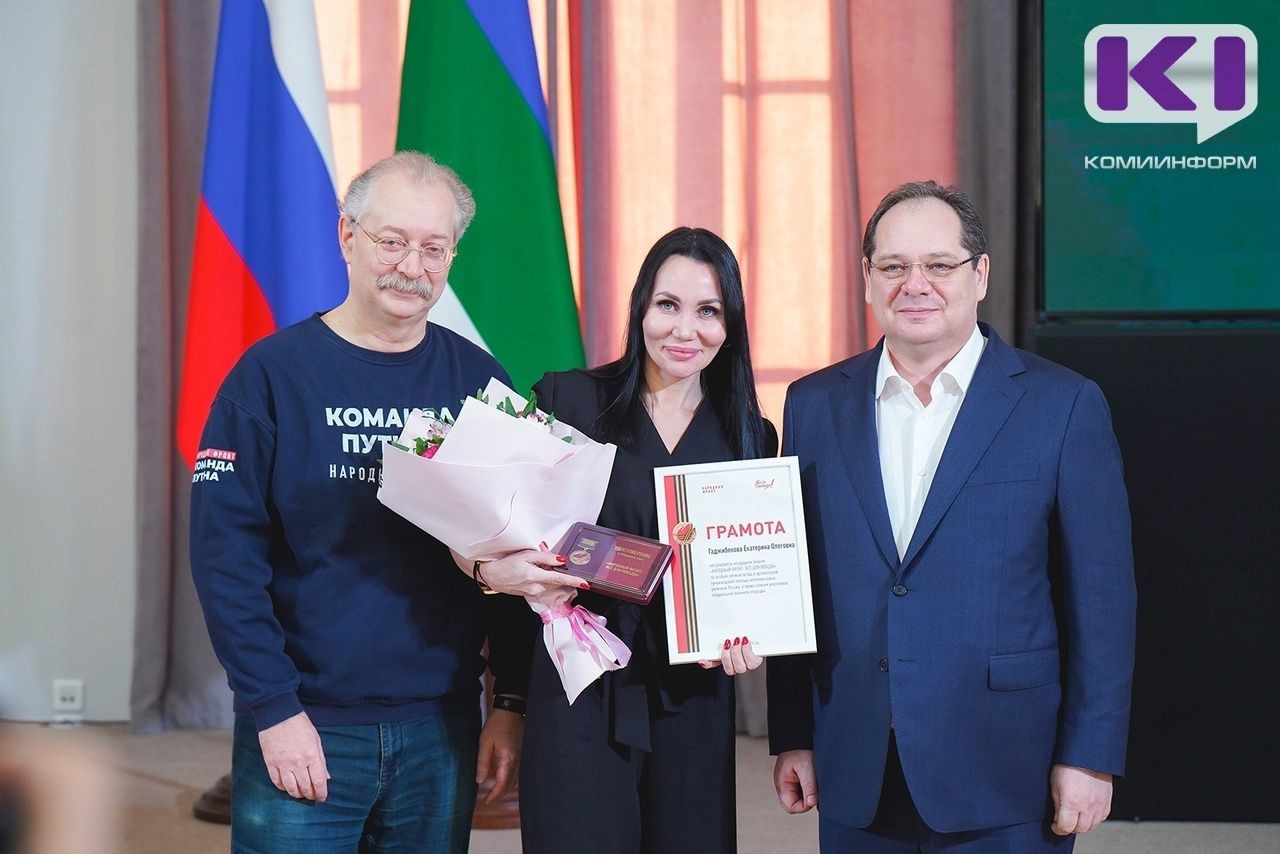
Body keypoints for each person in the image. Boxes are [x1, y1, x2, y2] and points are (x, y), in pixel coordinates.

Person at [767, 181, 1136, 851]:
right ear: (868, 279)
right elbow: (801, 581)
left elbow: (1103, 600)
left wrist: (1089, 754)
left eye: (939, 264)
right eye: (894, 266)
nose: (916, 284)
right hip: (855, 758)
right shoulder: (813, 404)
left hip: (1006, 766)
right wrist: (793, 733)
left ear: (980, 274)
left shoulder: (1063, 404)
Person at [189, 151, 535, 852]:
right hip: (305, 719)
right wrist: (273, 708)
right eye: (392, 240)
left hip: (440, 725)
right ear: (348, 236)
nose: (412, 266)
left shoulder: (478, 381)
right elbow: (225, 560)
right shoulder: (270, 376)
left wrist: (509, 702)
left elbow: (515, 549)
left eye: (434, 248)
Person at [487, 227, 775, 854]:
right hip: (578, 690)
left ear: (730, 325)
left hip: (694, 698)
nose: (685, 329)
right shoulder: (566, 403)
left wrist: (750, 632)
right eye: (668, 304)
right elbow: (513, 559)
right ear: (641, 306)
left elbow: (753, 579)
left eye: (708, 311)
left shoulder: (751, 437)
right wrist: (508, 702)